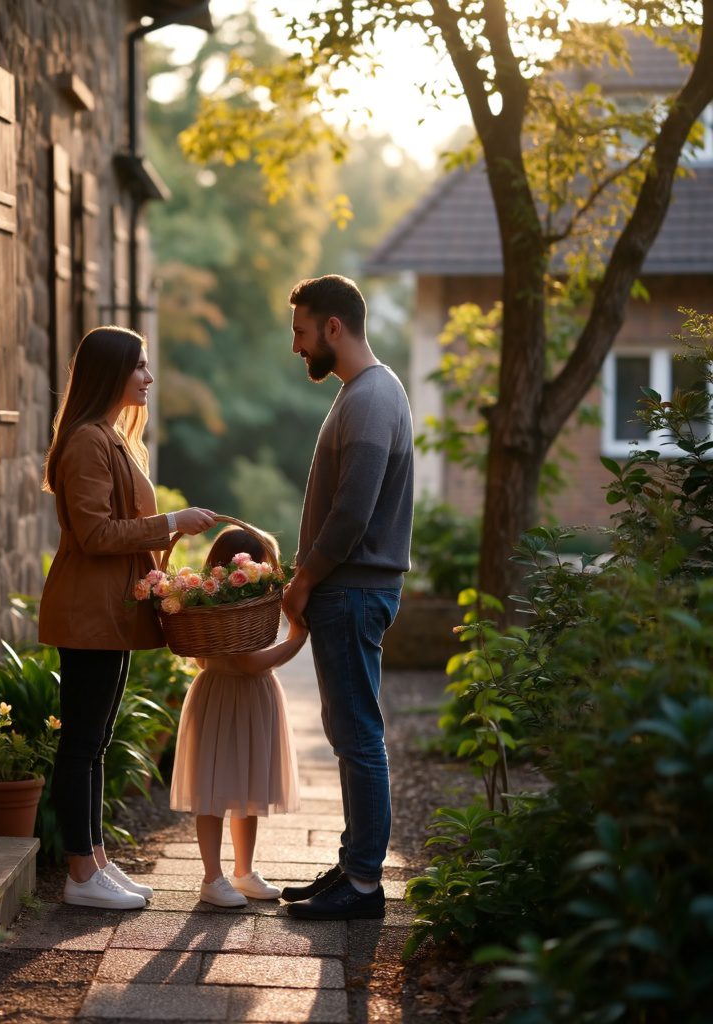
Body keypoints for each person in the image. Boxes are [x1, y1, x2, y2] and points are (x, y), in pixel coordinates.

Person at [39, 325, 216, 910]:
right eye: (140, 365)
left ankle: (95, 861)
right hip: (87, 611)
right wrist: (169, 523)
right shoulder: (88, 441)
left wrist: (169, 535)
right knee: (83, 743)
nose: (149, 376)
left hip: (107, 611)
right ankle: (80, 871)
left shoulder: (108, 436)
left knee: (95, 741)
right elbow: (93, 533)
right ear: (112, 372)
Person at [280, 274, 414, 921]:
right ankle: (353, 863)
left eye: (302, 332)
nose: (298, 347)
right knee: (348, 730)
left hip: (352, 590)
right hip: (354, 591)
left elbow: (352, 513)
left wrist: (304, 578)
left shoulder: (369, 398)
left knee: (358, 734)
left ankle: (362, 884)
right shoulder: (368, 394)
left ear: (334, 327)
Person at [169, 527, 304, 907]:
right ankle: (213, 877)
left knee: (248, 787)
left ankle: (243, 871)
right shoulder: (213, 604)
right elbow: (247, 663)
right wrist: (296, 638)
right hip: (227, 695)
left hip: (247, 696)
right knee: (211, 791)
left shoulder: (244, 603)